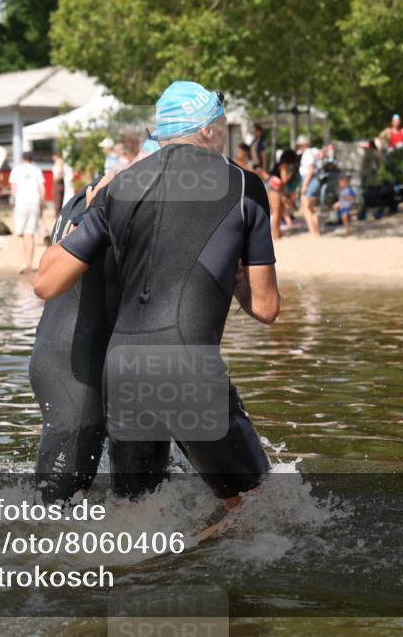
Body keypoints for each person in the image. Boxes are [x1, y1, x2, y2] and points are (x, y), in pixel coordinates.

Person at [34, 81, 278, 509]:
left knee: (136, 513)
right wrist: (236, 280)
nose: (224, 131)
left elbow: (46, 284)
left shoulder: (118, 187)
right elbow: (266, 307)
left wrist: (88, 212)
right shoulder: (243, 185)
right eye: (221, 123)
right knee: (262, 509)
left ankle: (128, 572)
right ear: (206, 130)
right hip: (183, 366)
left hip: (120, 370)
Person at [32, 138, 169, 503]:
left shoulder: (93, 191)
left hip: (79, 355)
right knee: (54, 512)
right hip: (74, 366)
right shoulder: (124, 200)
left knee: (145, 497)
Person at [9, 151, 44, 274]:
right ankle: (30, 264)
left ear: (22, 159)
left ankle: (22, 263)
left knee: (20, 234)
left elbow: (13, 191)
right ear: (32, 159)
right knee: (30, 235)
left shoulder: (16, 170)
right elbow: (42, 190)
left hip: (21, 203)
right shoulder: (37, 170)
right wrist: (42, 204)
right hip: (34, 203)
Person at [298, 136, 322, 237]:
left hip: (309, 180)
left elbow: (310, 170)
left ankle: (312, 232)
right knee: (311, 208)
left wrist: (305, 185)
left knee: (305, 207)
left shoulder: (307, 153)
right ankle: (316, 231)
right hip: (314, 180)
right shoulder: (313, 152)